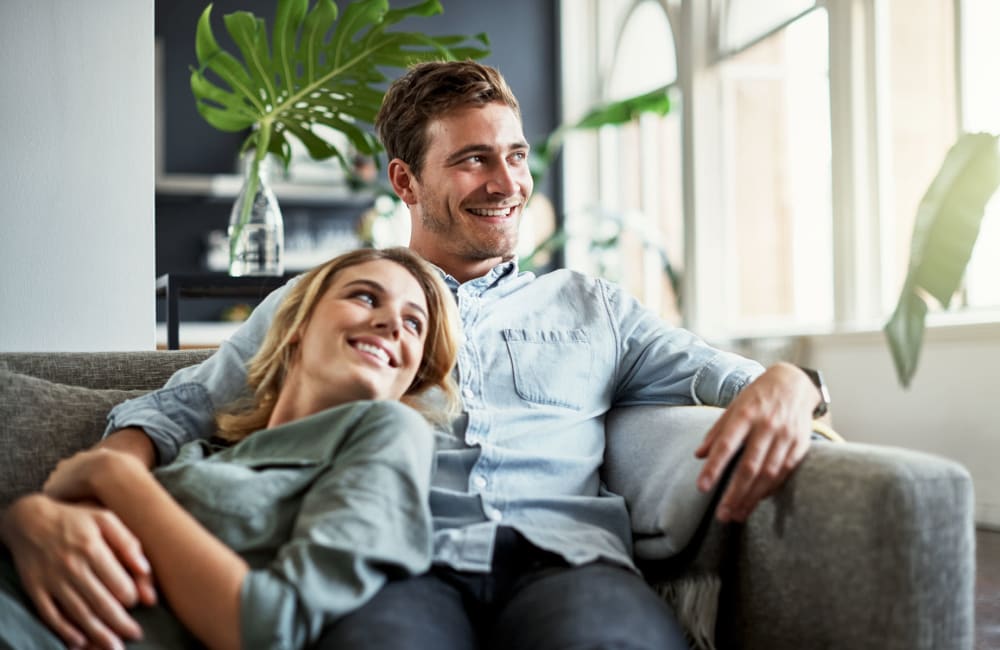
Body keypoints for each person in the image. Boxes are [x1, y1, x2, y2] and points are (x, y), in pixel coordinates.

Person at [2, 61, 828, 650]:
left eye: (513, 155)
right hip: (389, 567)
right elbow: (175, 405)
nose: (505, 181)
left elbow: (743, 379)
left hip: (570, 563)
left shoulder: (594, 307)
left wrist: (793, 382)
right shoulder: (334, 300)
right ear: (405, 180)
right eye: (472, 159)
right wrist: (75, 504)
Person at [0, 247, 460, 649]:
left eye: (414, 324)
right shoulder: (203, 448)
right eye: (364, 296)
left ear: (412, 373)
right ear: (298, 325)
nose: (391, 323)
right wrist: (21, 519)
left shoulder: (392, 432)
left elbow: (270, 626)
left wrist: (116, 478)